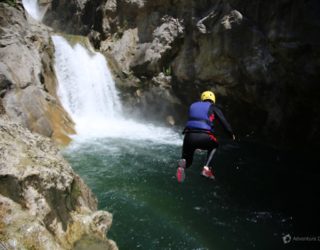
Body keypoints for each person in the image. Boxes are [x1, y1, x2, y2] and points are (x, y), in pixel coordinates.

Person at [176, 90, 235, 182]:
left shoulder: (193, 105)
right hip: (205, 136)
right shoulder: (213, 107)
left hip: (189, 137)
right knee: (214, 145)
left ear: (202, 99)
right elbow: (224, 122)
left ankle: (182, 165)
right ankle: (206, 168)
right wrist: (231, 134)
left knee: (188, 161)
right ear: (213, 99)